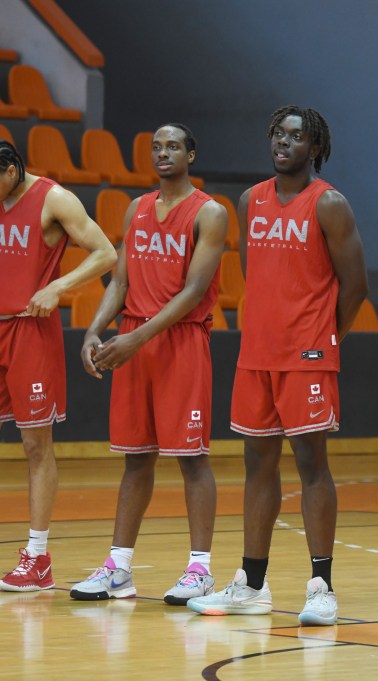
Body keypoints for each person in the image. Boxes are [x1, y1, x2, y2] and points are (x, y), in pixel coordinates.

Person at [187, 106, 367, 626]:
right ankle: (252, 583)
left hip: (307, 356)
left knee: (312, 465)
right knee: (256, 463)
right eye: (277, 134)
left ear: (315, 148)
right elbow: (258, 274)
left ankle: (321, 587)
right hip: (256, 354)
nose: (283, 143)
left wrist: (323, 338)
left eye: (296, 136)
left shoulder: (329, 204)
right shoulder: (249, 200)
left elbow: (356, 286)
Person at [69, 124, 226, 604]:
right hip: (135, 342)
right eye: (157, 147)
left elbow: (194, 291)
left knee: (192, 459)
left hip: (178, 343)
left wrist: (135, 337)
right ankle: (119, 567)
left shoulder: (211, 212)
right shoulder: (137, 209)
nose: (163, 153)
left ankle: (201, 569)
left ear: (191, 154)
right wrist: (95, 329)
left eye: (173, 146)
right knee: (135, 460)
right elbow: (119, 282)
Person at [0, 140, 117, 591]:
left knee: (35, 447)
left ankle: (37, 557)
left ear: (10, 170)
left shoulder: (54, 199)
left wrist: (59, 286)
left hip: (29, 329)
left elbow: (106, 252)